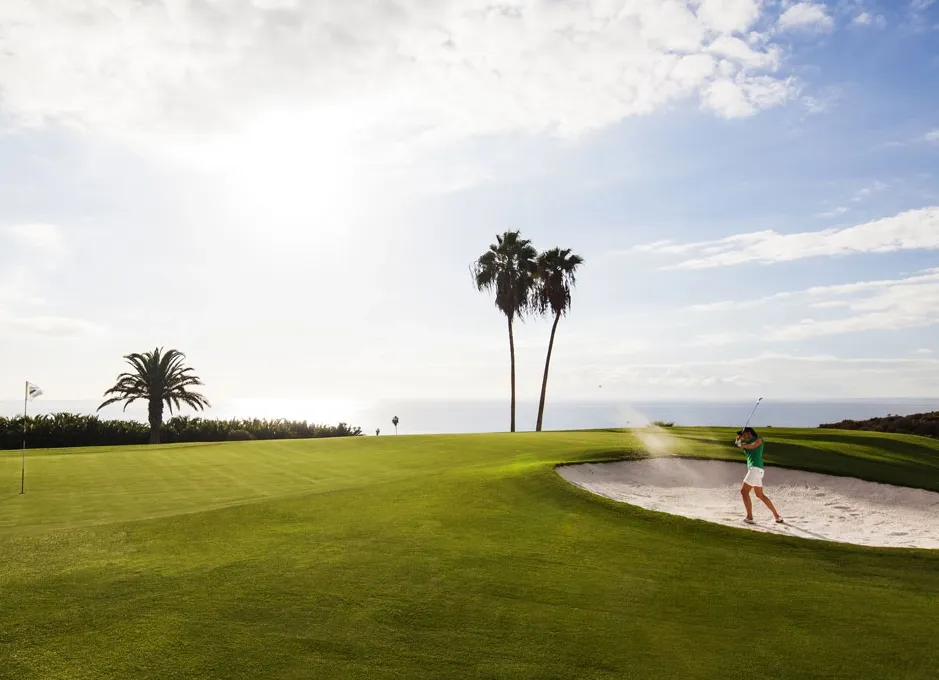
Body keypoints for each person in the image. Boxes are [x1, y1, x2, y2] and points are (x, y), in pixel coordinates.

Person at [734, 427, 783, 524]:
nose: (743, 437)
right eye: (742, 436)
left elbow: (753, 446)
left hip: (755, 469)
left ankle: (749, 517)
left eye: (744, 434)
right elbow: (742, 445)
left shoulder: (759, 439)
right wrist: (738, 441)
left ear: (749, 432)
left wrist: (740, 443)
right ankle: (777, 516)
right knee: (760, 495)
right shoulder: (746, 444)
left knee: (744, 492)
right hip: (757, 470)